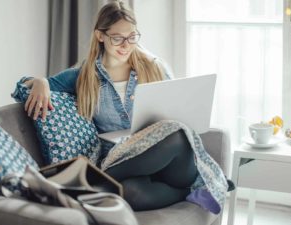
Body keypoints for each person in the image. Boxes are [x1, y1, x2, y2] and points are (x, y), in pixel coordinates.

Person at [21, 0, 228, 212]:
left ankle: (85, 185)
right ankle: (190, 193)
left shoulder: (155, 66)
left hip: (172, 160)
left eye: (132, 37)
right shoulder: (83, 76)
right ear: (100, 36)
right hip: (127, 163)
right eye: (118, 38)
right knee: (129, 194)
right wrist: (41, 82)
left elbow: (177, 115)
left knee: (175, 136)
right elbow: (24, 86)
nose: (126, 45)